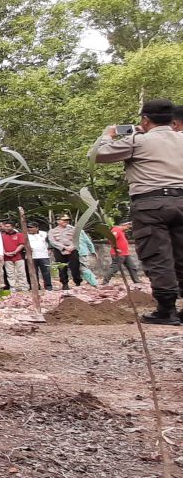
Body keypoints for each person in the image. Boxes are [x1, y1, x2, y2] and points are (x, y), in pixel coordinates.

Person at [90, 99, 183, 324]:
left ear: (145, 119)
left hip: (151, 204)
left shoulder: (136, 141)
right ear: (172, 120)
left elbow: (97, 155)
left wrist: (108, 134)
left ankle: (166, 310)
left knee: (157, 256)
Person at [48, 213, 84, 290]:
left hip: (72, 250)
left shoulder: (73, 229)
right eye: (64, 220)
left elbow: (78, 239)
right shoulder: (52, 231)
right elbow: (52, 241)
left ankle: (77, 282)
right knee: (62, 267)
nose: (66, 221)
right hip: (59, 250)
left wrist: (71, 247)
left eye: (67, 220)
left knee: (75, 266)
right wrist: (64, 247)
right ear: (58, 221)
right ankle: (64, 283)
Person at [102, 220, 141, 285]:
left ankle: (137, 282)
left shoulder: (122, 232)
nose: (128, 227)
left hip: (125, 254)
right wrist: (116, 248)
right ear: (124, 225)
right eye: (128, 226)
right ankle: (105, 282)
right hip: (118, 253)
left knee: (132, 267)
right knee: (114, 268)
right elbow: (111, 239)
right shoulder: (116, 230)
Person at [0, 219, 28, 291]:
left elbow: (22, 244)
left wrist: (15, 251)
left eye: (8, 226)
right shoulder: (1, 236)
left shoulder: (19, 234)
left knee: (21, 272)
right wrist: (4, 252)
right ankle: (12, 287)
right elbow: (0, 245)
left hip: (18, 256)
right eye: (5, 226)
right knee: (10, 273)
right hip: (7, 257)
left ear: (13, 227)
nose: (6, 228)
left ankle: (24, 286)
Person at [26, 221, 53, 291]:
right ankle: (35, 286)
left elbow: (49, 243)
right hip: (31, 256)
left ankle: (48, 286)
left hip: (43, 255)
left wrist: (50, 250)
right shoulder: (25, 235)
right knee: (33, 272)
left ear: (37, 228)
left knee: (46, 272)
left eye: (31, 227)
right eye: (28, 227)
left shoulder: (44, 234)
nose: (29, 229)